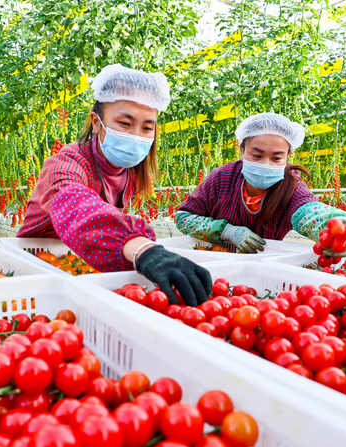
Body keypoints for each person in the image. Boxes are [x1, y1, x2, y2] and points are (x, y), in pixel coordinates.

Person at [18, 64, 212, 306]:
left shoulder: (130, 173)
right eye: (124, 123)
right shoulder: (69, 161)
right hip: (40, 264)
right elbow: (71, 199)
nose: (137, 136)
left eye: (147, 127)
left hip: (81, 266)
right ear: (97, 123)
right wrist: (141, 248)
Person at [175, 113, 346, 255]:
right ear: (241, 150)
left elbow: (307, 212)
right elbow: (183, 217)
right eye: (256, 156)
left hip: (263, 263)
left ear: (288, 157)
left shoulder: (290, 185)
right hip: (214, 258)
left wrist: (334, 224)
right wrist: (225, 231)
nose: (265, 164)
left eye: (276, 158)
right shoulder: (222, 178)